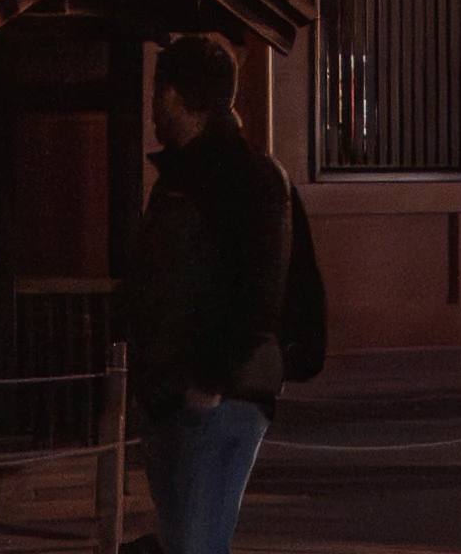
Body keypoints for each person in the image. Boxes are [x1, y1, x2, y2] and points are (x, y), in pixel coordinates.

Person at [123, 34, 322, 554]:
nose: (152, 109)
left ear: (171, 96)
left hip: (214, 399)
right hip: (185, 397)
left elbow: (260, 292)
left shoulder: (243, 177)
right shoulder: (204, 175)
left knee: (194, 544)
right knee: (189, 541)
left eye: (156, 93)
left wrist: (210, 381)